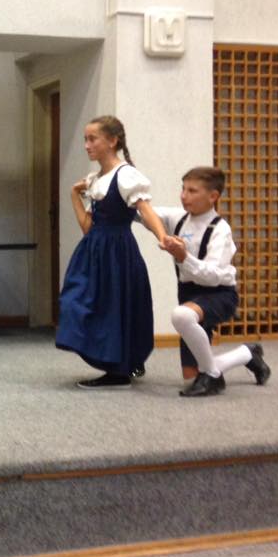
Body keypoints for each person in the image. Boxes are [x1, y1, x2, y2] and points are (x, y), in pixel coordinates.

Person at [56, 115, 168, 389]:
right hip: (93, 250)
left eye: (92, 139)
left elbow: (145, 211)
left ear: (112, 141)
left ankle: (119, 370)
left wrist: (163, 237)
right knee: (76, 302)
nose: (86, 145)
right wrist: (74, 195)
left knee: (114, 307)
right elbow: (87, 227)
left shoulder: (126, 175)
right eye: (85, 139)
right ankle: (123, 361)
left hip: (117, 251)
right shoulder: (96, 179)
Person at [148, 166, 270, 396]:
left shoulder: (220, 230)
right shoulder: (177, 217)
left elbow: (213, 276)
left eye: (192, 191)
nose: (184, 196)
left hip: (219, 295)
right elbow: (143, 212)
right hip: (188, 294)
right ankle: (247, 354)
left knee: (181, 315)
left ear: (213, 196)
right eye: (183, 189)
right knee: (192, 375)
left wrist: (184, 257)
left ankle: (213, 377)